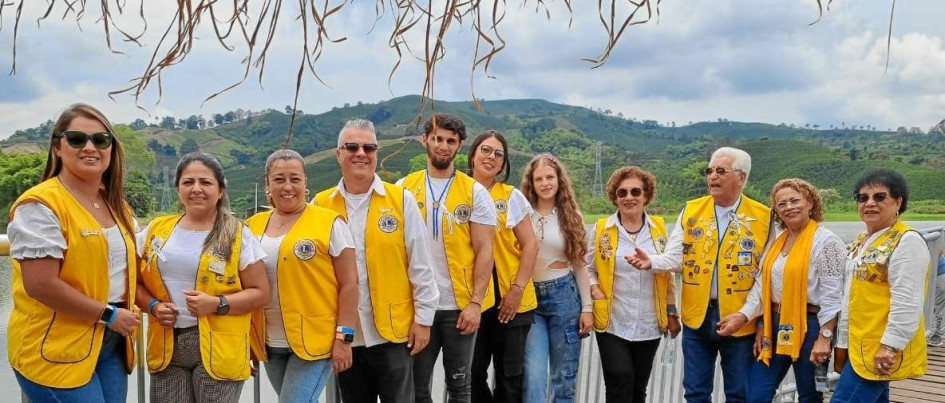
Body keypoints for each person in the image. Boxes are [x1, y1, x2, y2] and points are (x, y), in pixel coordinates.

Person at [7, 104, 141, 402]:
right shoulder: (40, 205)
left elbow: (126, 272)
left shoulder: (117, 206)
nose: (90, 147)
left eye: (100, 140)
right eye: (77, 139)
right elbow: (41, 285)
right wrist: (108, 315)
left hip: (111, 343)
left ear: (111, 148)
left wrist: (156, 305)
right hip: (56, 345)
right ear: (57, 147)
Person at [627, 147, 772, 403]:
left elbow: (766, 276)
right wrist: (652, 262)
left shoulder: (764, 217)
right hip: (697, 316)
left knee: (739, 393)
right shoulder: (692, 210)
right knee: (695, 392)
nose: (712, 177)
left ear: (741, 177)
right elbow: (675, 256)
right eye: (709, 171)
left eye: (720, 171)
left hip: (739, 318)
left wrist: (746, 314)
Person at [314, 119, 439, 403]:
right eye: (352, 146)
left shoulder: (401, 199)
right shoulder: (320, 206)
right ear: (338, 154)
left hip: (394, 334)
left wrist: (423, 321)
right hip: (346, 337)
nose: (361, 153)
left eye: (368, 147)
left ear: (376, 153)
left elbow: (421, 265)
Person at [136, 152, 270, 402]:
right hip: (167, 346)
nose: (196, 189)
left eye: (205, 182)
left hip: (220, 348)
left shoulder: (238, 234)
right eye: (188, 182)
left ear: (220, 190)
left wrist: (217, 304)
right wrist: (153, 307)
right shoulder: (156, 231)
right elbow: (132, 282)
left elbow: (260, 292)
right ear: (177, 189)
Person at [397, 113, 497, 403]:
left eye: (450, 141)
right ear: (425, 139)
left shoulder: (475, 191)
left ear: (460, 145)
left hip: (459, 307)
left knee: (460, 385)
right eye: (437, 138)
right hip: (418, 306)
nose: (443, 146)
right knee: (417, 387)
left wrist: (476, 304)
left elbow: (485, 250)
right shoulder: (403, 188)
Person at [246, 149, 359, 402]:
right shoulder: (250, 227)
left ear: (305, 182)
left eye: (295, 179)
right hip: (270, 342)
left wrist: (344, 338)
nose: (288, 187)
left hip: (315, 342)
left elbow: (350, 284)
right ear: (267, 183)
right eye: (279, 179)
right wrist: (248, 341)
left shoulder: (330, 223)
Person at [719, 178, 845, 403]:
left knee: (809, 395)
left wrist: (825, 338)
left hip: (810, 325)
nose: (789, 207)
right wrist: (750, 318)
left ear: (810, 203)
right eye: (782, 203)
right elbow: (762, 287)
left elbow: (833, 296)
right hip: (774, 323)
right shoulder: (777, 242)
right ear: (776, 209)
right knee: (755, 394)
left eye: (795, 201)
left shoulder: (826, 242)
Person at [831, 169, 931, 403]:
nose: (869, 203)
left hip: (879, 346)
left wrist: (890, 346)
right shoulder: (863, 240)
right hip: (859, 345)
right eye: (862, 197)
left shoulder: (907, 241)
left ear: (898, 201)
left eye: (879, 197)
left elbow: (907, 301)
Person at [587, 166, 681, 403]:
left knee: (639, 386)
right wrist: (593, 287)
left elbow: (668, 272)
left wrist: (672, 311)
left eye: (635, 192)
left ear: (646, 195)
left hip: (649, 320)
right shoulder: (601, 229)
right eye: (622, 193)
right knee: (620, 378)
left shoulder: (659, 229)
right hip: (612, 320)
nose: (629, 197)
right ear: (614, 197)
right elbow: (588, 267)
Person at [467, 131, 540, 403]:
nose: (491, 157)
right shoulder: (459, 192)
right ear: (473, 154)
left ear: (503, 163)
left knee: (510, 377)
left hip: (511, 300)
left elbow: (530, 245)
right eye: (485, 150)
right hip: (472, 300)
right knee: (470, 374)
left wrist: (517, 290)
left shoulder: (510, 196)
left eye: (498, 154)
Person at [521, 154, 593, 403]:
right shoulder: (522, 213)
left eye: (550, 177)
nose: (545, 183)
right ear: (531, 182)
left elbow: (581, 265)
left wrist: (587, 308)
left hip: (564, 296)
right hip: (529, 298)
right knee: (533, 375)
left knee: (564, 377)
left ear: (559, 180)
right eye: (538, 178)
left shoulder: (571, 216)